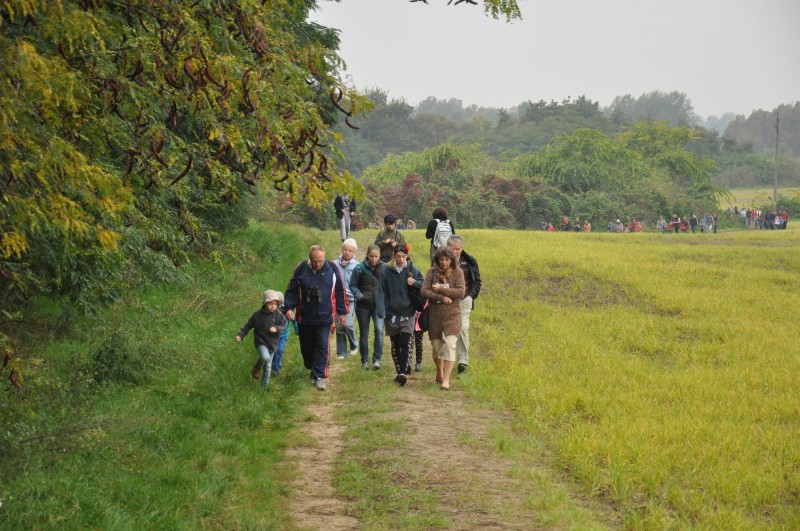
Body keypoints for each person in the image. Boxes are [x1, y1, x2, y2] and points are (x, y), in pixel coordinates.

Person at [284, 245, 348, 391]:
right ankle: (312, 368)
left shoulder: (332, 268)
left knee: (322, 345)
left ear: (324, 258)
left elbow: (340, 290)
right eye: (315, 261)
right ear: (309, 259)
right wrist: (288, 308)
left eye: (320, 261)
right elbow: (291, 289)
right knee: (307, 348)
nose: (318, 264)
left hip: (325, 317)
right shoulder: (300, 268)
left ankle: (319, 376)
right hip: (304, 317)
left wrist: (342, 312)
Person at [421, 246, 465, 391]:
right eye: (442, 259)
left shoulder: (458, 273)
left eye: (447, 260)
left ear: (452, 260)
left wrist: (441, 289)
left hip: (453, 315)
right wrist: (440, 297)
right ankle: (439, 371)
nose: (444, 262)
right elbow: (424, 290)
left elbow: (460, 292)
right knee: (436, 349)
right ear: (437, 260)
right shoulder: (431, 272)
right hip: (435, 315)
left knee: (450, 345)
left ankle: (446, 380)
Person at [380, 243, 423, 386]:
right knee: (395, 343)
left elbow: (423, 284)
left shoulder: (412, 269)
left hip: (408, 312)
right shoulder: (386, 270)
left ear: (407, 256)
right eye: (398, 256)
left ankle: (403, 372)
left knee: (405, 342)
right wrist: (383, 308)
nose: (400, 259)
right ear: (393, 255)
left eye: (403, 256)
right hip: (391, 312)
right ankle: (399, 370)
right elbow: (380, 290)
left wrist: (415, 282)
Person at [236, 290, 287, 389]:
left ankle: (264, 388)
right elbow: (247, 326)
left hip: (273, 344)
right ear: (265, 303)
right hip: (261, 342)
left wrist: (276, 328)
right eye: (270, 304)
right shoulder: (257, 315)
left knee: (268, 367)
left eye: (275, 304)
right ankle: (257, 367)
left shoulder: (278, 315)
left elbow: (283, 326)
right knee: (265, 357)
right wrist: (240, 335)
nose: (273, 306)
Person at [447, 235, 481, 375]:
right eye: (452, 249)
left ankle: (463, 361)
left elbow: (477, 281)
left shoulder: (470, 261)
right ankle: (448, 360)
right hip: (448, 300)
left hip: (465, 299)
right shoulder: (441, 261)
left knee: (463, 328)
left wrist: (471, 296)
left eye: (458, 249)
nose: (455, 252)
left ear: (462, 248)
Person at [350, 244, 386, 370]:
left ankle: (377, 360)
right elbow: (352, 285)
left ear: (380, 255)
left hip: (378, 306)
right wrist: (359, 295)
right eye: (371, 256)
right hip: (363, 306)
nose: (374, 259)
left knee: (379, 332)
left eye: (376, 256)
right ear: (367, 255)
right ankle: (365, 360)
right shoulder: (359, 268)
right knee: (364, 334)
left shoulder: (384, 268)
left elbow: (388, 285)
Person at [333, 239, 359, 360]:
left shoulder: (358, 266)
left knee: (348, 324)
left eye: (350, 250)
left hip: (351, 299)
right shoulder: (334, 264)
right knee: (339, 325)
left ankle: (354, 344)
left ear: (354, 252)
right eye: (345, 249)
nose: (347, 252)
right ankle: (341, 352)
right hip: (337, 298)